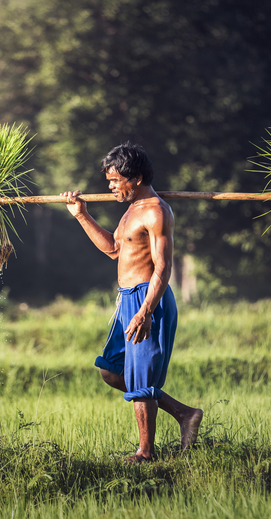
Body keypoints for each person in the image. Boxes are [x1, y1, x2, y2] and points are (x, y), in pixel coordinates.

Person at [62, 142, 203, 463]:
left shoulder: (155, 211)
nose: (111, 187)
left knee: (142, 378)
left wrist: (146, 310)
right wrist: (81, 215)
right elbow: (113, 248)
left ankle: (146, 452)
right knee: (111, 371)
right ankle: (184, 414)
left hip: (147, 299)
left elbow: (163, 267)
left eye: (115, 181)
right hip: (127, 299)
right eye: (109, 181)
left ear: (136, 178)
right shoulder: (131, 210)